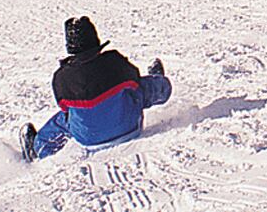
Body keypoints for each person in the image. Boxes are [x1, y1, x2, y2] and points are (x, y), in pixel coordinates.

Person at [21, 17, 172, 161]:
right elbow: (134, 79)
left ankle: (39, 149)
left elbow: (65, 108)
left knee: (63, 120)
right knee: (143, 89)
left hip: (89, 138)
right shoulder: (114, 61)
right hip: (129, 128)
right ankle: (159, 81)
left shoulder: (62, 77)